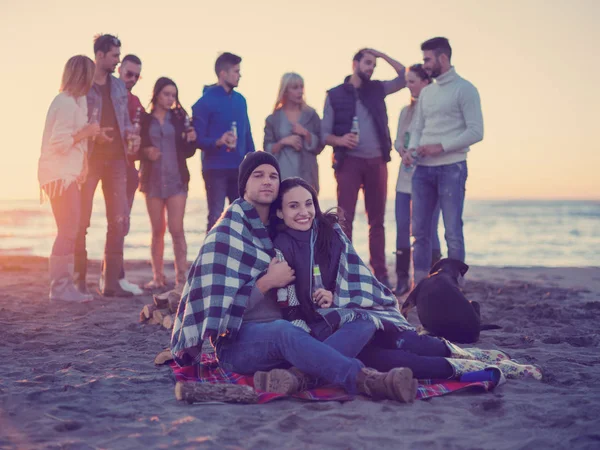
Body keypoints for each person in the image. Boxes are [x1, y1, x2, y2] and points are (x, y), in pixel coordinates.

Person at [171, 152, 417, 403]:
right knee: (282, 331)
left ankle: (298, 378)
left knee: (364, 321)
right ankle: (367, 380)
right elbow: (219, 314)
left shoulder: (282, 228)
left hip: (296, 336)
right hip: (240, 345)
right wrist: (267, 282)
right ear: (244, 184)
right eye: (258, 175)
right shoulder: (226, 234)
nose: (267, 181)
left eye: (273, 176)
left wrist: (327, 295)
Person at [272, 177, 542, 382]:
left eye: (308, 203)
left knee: (412, 342)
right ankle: (476, 371)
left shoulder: (330, 235)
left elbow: (354, 277)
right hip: (331, 333)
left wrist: (334, 296)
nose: (303, 212)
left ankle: (476, 355)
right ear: (280, 213)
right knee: (397, 361)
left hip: (355, 316)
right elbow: (290, 304)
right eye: (293, 206)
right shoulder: (280, 246)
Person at [322, 48, 407, 289]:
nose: (371, 68)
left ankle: (380, 273)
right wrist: (340, 140)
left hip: (377, 162)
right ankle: (345, 271)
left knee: (377, 220)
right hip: (348, 162)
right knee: (344, 219)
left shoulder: (378, 89)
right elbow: (323, 134)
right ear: (354, 64)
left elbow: (403, 76)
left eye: (374, 65)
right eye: (367, 63)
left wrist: (380, 54)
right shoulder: (334, 94)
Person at [405, 37, 484, 285]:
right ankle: (420, 285)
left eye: (427, 59)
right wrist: (410, 149)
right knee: (419, 232)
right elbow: (417, 128)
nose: (424, 64)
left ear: (442, 58)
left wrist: (441, 147)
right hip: (422, 170)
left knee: (452, 231)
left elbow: (476, 131)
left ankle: (455, 285)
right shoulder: (427, 93)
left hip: (452, 167)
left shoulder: (465, 89)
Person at [74, 34, 140, 298]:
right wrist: (94, 134)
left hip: (116, 160)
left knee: (119, 219)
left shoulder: (117, 86)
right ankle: (78, 282)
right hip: (88, 159)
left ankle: (110, 284)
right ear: (99, 55)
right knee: (81, 221)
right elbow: (75, 120)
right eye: (114, 56)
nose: (118, 61)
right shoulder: (82, 83)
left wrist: (130, 135)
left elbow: (124, 120)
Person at [38, 55, 101, 302]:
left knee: (70, 229)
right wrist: (84, 132)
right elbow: (59, 143)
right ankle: (60, 288)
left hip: (69, 175)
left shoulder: (77, 101)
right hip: (58, 176)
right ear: (82, 75)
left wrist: (83, 162)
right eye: (91, 73)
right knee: (68, 230)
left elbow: (76, 140)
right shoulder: (64, 103)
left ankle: (64, 286)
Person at [139, 77, 197, 290]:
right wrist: (146, 151)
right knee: (157, 230)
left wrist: (192, 139)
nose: (170, 99)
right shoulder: (145, 120)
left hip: (176, 179)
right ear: (156, 94)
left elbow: (189, 151)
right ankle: (157, 277)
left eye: (173, 95)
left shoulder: (180, 117)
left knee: (176, 229)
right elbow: (136, 148)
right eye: (166, 94)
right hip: (152, 180)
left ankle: (182, 278)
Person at [192, 52, 255, 233]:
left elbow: (247, 134)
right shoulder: (203, 103)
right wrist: (218, 142)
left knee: (242, 216)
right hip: (215, 169)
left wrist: (254, 163)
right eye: (236, 71)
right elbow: (198, 140)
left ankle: (239, 258)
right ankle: (211, 260)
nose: (239, 75)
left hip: (239, 169)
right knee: (215, 216)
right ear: (223, 73)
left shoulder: (241, 100)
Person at [393, 64, 442, 295]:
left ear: (425, 82)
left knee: (428, 230)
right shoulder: (406, 111)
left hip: (429, 177)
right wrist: (403, 152)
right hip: (405, 179)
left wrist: (420, 152)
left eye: (411, 81)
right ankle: (402, 279)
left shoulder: (436, 110)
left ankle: (436, 278)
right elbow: (398, 140)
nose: (408, 85)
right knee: (403, 226)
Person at [104, 53, 145, 296]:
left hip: (129, 166)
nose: (132, 79)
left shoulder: (136, 101)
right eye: (129, 73)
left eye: (137, 76)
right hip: (111, 165)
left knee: (122, 222)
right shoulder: (111, 95)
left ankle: (113, 277)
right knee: (117, 222)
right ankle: (113, 279)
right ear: (119, 69)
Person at [264, 73, 323, 192]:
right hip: (281, 176)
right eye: (295, 88)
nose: (300, 91)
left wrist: (306, 133)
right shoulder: (273, 119)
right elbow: (267, 150)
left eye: (302, 87)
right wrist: (283, 142)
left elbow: (320, 145)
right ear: (285, 91)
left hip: (307, 176)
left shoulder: (311, 115)